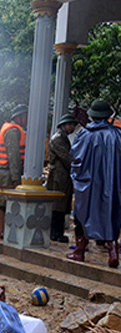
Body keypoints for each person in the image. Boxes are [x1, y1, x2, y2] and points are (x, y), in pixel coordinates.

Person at [66, 100, 121, 268]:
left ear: (92, 116)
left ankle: (80, 251)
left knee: (82, 216)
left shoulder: (85, 134)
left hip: (89, 186)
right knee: (111, 215)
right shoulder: (117, 135)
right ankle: (113, 252)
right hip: (112, 185)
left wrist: (78, 178)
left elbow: (76, 160)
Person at [0, 104, 27, 239]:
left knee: (2, 201)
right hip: (7, 172)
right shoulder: (13, 131)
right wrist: (16, 177)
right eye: (26, 116)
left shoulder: (11, 129)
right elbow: (14, 156)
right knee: (3, 202)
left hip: (5, 171)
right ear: (19, 117)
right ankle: (1, 229)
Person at [47, 113, 78, 243]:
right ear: (63, 126)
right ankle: (55, 233)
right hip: (58, 178)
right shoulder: (58, 139)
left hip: (63, 177)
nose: (72, 128)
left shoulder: (63, 138)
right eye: (70, 125)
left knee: (61, 206)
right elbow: (67, 158)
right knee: (57, 207)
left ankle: (57, 232)